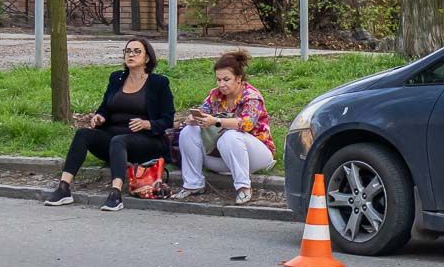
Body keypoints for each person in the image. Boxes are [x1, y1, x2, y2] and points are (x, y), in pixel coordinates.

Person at [44, 36, 175, 212]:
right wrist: (100, 116)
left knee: (119, 140)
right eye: (128, 51)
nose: (131, 55)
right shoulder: (117, 78)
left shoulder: (158, 83)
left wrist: (147, 124)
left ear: (147, 58)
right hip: (114, 139)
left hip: (146, 140)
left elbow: (168, 119)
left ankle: (115, 193)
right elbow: (106, 107)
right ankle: (63, 188)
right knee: (83, 134)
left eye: (137, 51)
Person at [173, 50, 275, 205]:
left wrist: (215, 121)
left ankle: (243, 187)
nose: (221, 84)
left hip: (257, 154)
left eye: (226, 79)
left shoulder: (251, 96)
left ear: (239, 78)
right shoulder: (215, 95)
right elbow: (204, 111)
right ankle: (193, 184)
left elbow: (246, 124)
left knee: (229, 135)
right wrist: (195, 118)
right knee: (188, 132)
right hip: (224, 154)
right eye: (218, 80)